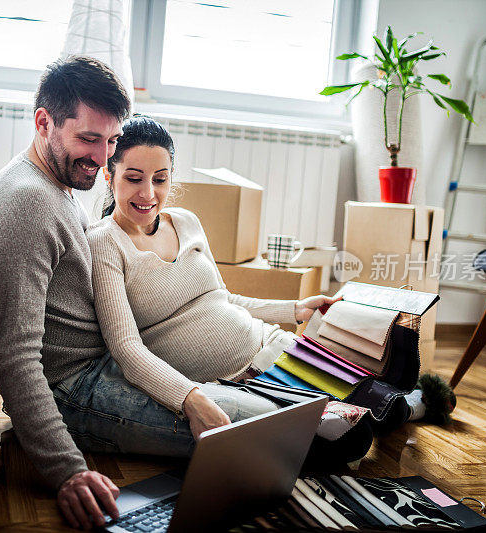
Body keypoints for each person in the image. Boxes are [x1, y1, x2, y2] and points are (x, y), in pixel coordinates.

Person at [55, 116, 365, 470]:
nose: (148, 194)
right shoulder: (104, 242)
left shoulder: (186, 221)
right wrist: (190, 398)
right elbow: (126, 347)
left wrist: (295, 309)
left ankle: (407, 402)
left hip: (268, 345)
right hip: (231, 383)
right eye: (133, 178)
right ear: (109, 177)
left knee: (376, 402)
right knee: (338, 440)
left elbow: (223, 298)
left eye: (160, 179)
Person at [0, 55, 130, 531]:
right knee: (250, 430)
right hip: (76, 391)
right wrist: (68, 471)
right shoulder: (28, 203)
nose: (103, 159)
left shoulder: (54, 184)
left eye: (111, 140)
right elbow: (14, 357)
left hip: (108, 364)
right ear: (44, 122)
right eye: (89, 139)